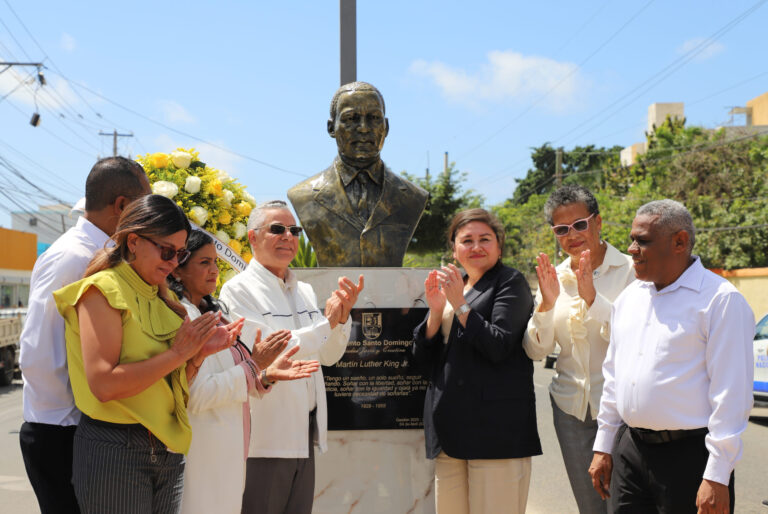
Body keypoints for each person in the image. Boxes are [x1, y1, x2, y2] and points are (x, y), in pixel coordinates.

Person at [53, 194, 239, 512]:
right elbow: (104, 385)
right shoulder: (102, 290)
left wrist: (197, 356)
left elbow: (171, 390)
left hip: (166, 449)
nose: (173, 262)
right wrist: (179, 353)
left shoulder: (166, 301)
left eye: (180, 254)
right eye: (167, 251)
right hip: (115, 449)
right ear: (134, 241)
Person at [589, 200, 754, 514]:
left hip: (690, 459)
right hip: (630, 452)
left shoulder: (720, 301)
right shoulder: (629, 299)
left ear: (679, 242)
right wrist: (603, 446)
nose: (632, 249)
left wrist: (717, 475)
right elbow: (614, 378)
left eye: (643, 241)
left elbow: (732, 397)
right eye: (632, 240)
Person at [18, 156, 150, 514]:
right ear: (121, 205)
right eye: (144, 202)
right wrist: (80, 422)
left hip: (76, 427)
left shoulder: (100, 253)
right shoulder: (75, 257)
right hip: (62, 428)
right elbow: (39, 352)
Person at [219, 200, 364, 514]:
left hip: (304, 436)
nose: (288, 236)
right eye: (277, 229)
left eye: (294, 230)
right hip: (264, 439)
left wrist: (340, 319)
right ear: (253, 237)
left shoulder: (305, 291)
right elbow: (269, 352)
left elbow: (328, 355)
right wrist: (326, 324)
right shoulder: (237, 290)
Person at [169, 229, 321, 514]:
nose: (214, 270)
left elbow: (236, 377)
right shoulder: (184, 317)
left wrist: (265, 375)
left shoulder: (214, 313)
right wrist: (254, 365)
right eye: (204, 262)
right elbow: (197, 395)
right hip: (203, 450)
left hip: (229, 448)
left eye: (216, 262)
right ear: (177, 270)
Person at [412, 208, 541, 514]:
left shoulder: (510, 282)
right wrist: (435, 312)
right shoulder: (457, 284)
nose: (476, 247)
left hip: (495, 431)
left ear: (499, 246)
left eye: (485, 239)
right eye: (467, 240)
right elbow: (424, 360)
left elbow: (498, 344)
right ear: (454, 249)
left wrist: (459, 303)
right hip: (449, 429)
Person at [523, 185, 634, 513]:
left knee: (625, 504)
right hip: (571, 410)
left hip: (622, 410)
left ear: (597, 222)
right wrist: (546, 304)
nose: (572, 235)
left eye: (580, 224)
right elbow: (536, 350)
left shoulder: (631, 271)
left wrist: (592, 299)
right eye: (561, 229)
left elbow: (638, 337)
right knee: (591, 506)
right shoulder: (553, 278)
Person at [287, 81, 428, 267]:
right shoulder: (304, 195)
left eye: (374, 118)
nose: (363, 128)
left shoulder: (412, 197)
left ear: (386, 127)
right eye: (351, 118)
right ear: (331, 128)